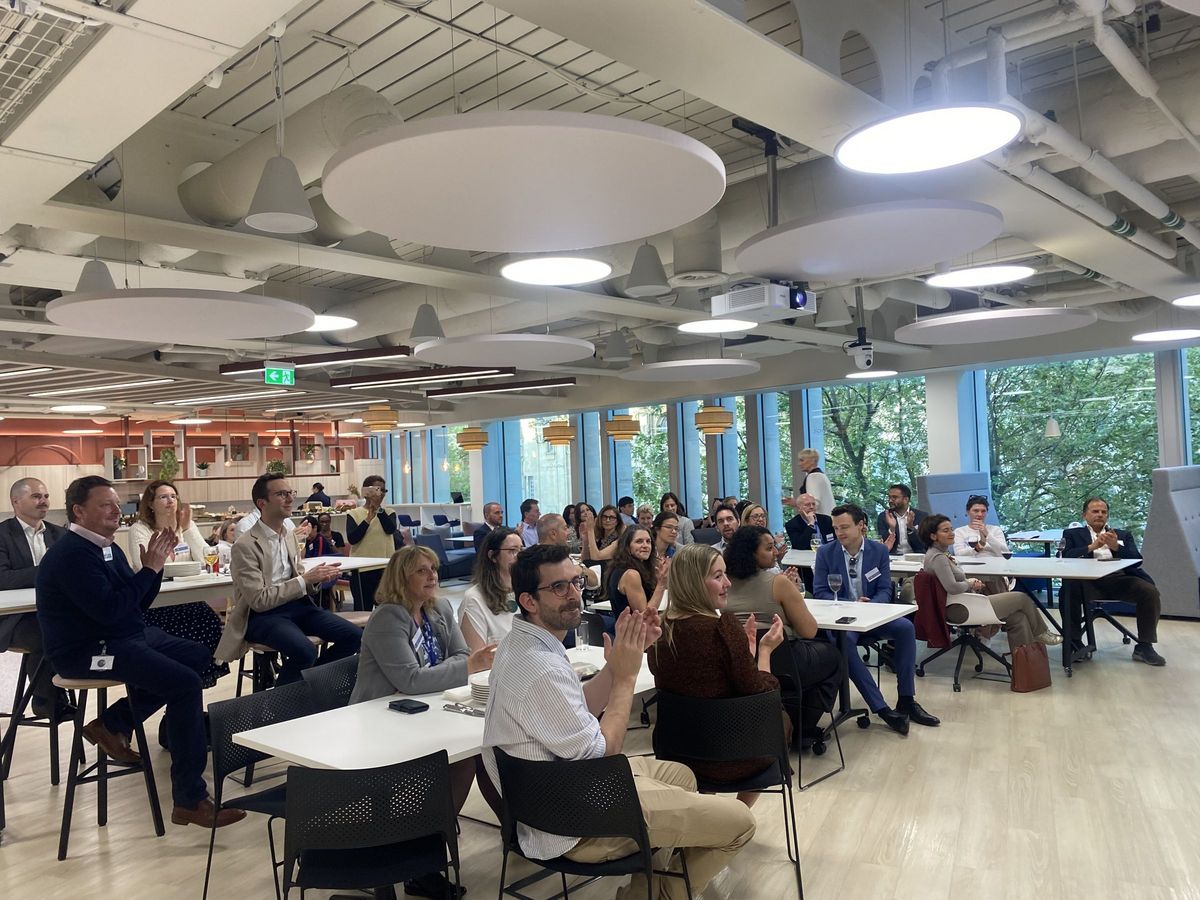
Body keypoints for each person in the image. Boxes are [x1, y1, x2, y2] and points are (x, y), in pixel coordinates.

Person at [482, 543, 756, 900]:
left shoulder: (521, 643)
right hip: (572, 824)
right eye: (559, 587)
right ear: (529, 601)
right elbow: (604, 752)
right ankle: (664, 895)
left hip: (551, 795)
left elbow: (575, 707)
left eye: (576, 582)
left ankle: (644, 891)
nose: (574, 594)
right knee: (741, 823)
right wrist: (626, 678)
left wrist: (622, 660)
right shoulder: (542, 668)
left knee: (681, 776)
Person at [36, 475, 244, 828]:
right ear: (78, 511)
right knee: (183, 683)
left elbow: (136, 604)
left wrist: (154, 570)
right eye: (105, 505)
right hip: (86, 650)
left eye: (117, 504)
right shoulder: (71, 555)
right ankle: (190, 799)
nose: (116, 511)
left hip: (123, 635)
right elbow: (111, 611)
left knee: (196, 656)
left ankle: (114, 722)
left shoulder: (106, 546)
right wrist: (148, 570)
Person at [351, 545, 498, 899]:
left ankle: (430, 852)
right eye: (422, 570)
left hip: (426, 707)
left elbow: (460, 655)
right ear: (401, 577)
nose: (433, 575)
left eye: (433, 568)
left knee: (475, 755)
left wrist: (447, 670)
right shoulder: (388, 618)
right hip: (379, 721)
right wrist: (458, 669)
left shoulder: (439, 608)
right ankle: (420, 860)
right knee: (459, 760)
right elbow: (412, 679)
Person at [648, 542, 788, 806]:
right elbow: (762, 694)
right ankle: (737, 815)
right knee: (779, 719)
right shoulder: (722, 629)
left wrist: (741, 652)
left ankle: (709, 813)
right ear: (693, 583)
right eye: (718, 576)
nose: (728, 583)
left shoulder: (659, 631)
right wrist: (765, 651)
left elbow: (696, 684)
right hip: (732, 758)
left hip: (676, 754)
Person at [218, 473, 361, 685]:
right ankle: (284, 701)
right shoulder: (245, 545)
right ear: (262, 503)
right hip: (262, 616)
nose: (290, 498)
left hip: (298, 607)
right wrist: (305, 580)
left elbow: (300, 578)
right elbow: (259, 600)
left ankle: (312, 685)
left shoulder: (289, 535)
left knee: (355, 637)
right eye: (282, 494)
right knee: (304, 651)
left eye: (290, 493)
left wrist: (316, 579)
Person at [814, 503, 939, 736]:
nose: (839, 533)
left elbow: (884, 589)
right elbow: (820, 591)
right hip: (842, 618)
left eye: (844, 527)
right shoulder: (825, 553)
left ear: (861, 525)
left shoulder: (878, 551)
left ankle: (906, 700)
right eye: (836, 528)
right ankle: (881, 708)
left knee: (905, 627)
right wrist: (851, 604)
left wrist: (870, 605)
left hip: (872, 614)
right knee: (844, 641)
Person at [723, 525, 842, 747]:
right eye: (769, 548)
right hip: (782, 661)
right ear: (752, 553)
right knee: (834, 656)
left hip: (738, 665)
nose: (776, 552)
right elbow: (809, 631)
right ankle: (803, 728)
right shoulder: (778, 582)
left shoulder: (723, 583)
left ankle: (786, 719)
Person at [129, 481, 229, 704]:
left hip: (187, 599)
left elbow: (206, 558)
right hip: (156, 604)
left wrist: (187, 528)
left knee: (210, 624)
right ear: (150, 504)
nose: (170, 501)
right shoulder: (140, 529)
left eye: (173, 496)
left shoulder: (184, 525)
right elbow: (144, 565)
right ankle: (180, 699)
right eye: (163, 497)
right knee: (182, 649)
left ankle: (184, 703)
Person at [920, 515, 1060, 651]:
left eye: (951, 529)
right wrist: (970, 583)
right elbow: (952, 587)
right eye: (946, 530)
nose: (952, 533)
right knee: (1021, 598)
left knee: (1018, 618)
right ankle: (1041, 632)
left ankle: (1024, 661)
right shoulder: (938, 558)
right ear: (933, 536)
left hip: (964, 603)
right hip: (960, 609)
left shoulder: (938, 554)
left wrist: (970, 584)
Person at [1062, 497, 1164, 666]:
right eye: (1095, 511)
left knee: (1149, 591)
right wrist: (1092, 547)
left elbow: (1137, 560)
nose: (1100, 515)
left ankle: (1145, 646)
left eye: (1104, 512)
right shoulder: (1072, 534)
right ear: (1084, 515)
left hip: (1119, 580)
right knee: (1068, 589)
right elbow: (1065, 556)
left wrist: (1116, 546)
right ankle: (1074, 642)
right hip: (1087, 581)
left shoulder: (1122, 535)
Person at [0, 477, 69, 719]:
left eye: (46, 496)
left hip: (52, 612)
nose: (44, 501)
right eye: (36, 496)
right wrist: (47, 571)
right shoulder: (2, 535)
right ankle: (46, 701)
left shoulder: (60, 534)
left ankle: (64, 692)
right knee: (46, 633)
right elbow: (3, 579)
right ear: (16, 501)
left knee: (76, 628)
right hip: (14, 619)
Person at [460, 527, 522, 652]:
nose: (519, 557)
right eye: (512, 551)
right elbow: (478, 657)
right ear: (493, 556)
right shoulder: (474, 599)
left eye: (521, 550)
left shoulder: (526, 590)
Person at [345, 474, 396, 608]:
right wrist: (367, 520)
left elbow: (390, 529)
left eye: (383, 490)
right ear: (366, 492)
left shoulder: (389, 512)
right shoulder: (354, 514)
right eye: (377, 490)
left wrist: (379, 510)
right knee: (363, 610)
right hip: (362, 569)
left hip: (385, 567)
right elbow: (352, 539)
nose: (381, 493)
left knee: (386, 609)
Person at [606, 525, 669, 622]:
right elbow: (644, 617)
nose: (645, 545)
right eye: (639, 541)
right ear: (627, 546)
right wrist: (661, 585)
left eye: (648, 541)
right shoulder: (631, 575)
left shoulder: (623, 567)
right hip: (632, 630)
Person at [952, 494, 1012, 595]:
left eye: (983, 511)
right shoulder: (960, 532)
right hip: (970, 572)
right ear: (968, 512)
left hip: (994, 571)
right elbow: (959, 555)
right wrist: (979, 546)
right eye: (976, 511)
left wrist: (987, 535)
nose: (979, 514)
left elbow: (1004, 552)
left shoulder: (995, 530)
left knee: (993, 581)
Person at [783, 493, 834, 593]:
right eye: (807, 505)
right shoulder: (792, 524)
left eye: (813, 504)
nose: (811, 507)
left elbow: (834, 541)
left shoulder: (826, 520)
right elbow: (799, 545)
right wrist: (810, 524)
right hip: (806, 565)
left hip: (828, 559)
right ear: (799, 508)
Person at [304, 513, 347, 611]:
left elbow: (340, 555)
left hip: (329, 570)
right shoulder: (310, 540)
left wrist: (331, 542)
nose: (324, 524)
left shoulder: (322, 538)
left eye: (327, 521)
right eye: (322, 522)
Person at [876, 484, 929, 556]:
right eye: (889, 497)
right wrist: (892, 529)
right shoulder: (884, 516)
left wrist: (910, 528)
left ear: (906, 499)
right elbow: (882, 544)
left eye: (894, 497)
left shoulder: (921, 516)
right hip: (893, 557)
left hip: (917, 556)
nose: (890, 500)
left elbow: (923, 545)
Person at [786, 448, 835, 516]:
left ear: (812, 461)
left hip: (821, 519)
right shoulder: (821, 475)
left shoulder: (813, 477)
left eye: (802, 460)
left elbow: (813, 503)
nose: (799, 464)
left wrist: (796, 503)